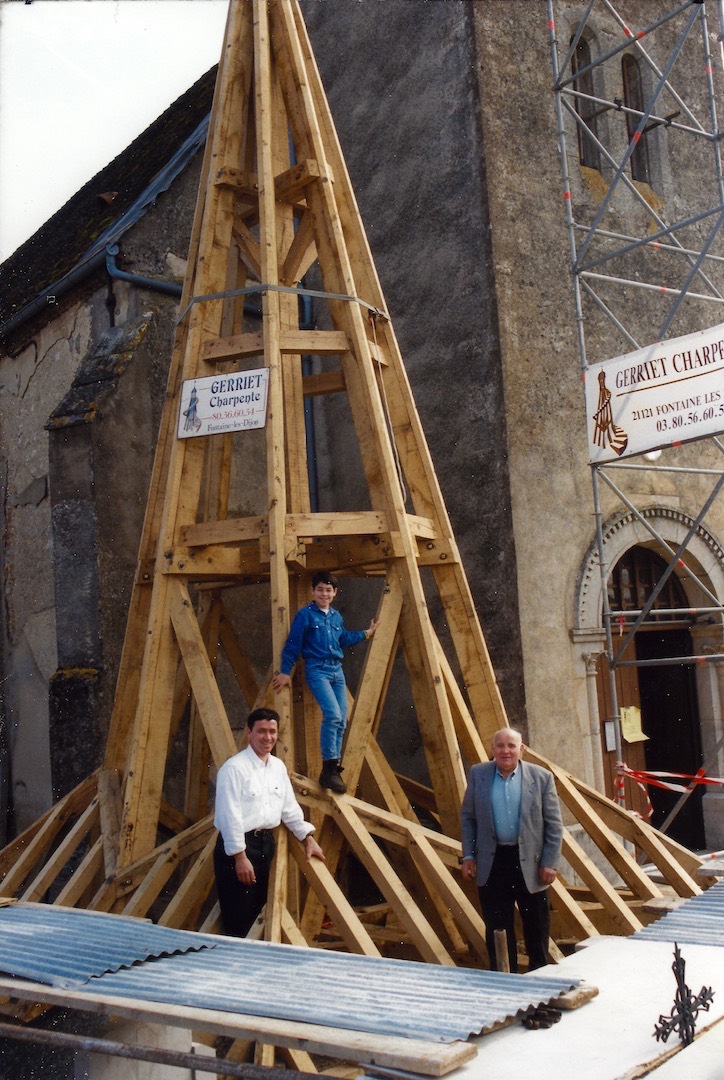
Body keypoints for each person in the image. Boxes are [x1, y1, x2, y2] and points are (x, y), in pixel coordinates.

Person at [213, 707, 325, 938]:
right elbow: (229, 816)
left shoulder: (277, 767)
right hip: (239, 848)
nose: (268, 737)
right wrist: (240, 858)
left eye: (272, 731)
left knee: (262, 911)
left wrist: (308, 837)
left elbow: (289, 808)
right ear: (249, 733)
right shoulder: (234, 769)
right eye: (261, 731)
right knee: (239, 916)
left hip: (266, 844)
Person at [460, 727, 563, 973]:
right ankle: (505, 981)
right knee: (498, 926)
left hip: (530, 862)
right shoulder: (479, 774)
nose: (506, 751)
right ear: (493, 749)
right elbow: (468, 818)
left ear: (521, 749)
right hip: (494, 862)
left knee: (536, 926)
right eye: (500, 746)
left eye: (511, 746)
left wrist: (550, 862)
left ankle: (539, 979)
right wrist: (469, 855)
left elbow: (554, 825)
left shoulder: (541, 778)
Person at [272, 570, 378, 794]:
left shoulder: (336, 617)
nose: (324, 594)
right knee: (332, 714)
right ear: (313, 591)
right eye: (320, 589)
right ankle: (328, 767)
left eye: (328, 590)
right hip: (317, 669)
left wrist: (367, 633)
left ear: (335, 593)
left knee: (341, 718)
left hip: (336, 671)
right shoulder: (305, 616)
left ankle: (332, 770)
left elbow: (344, 638)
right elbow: (293, 645)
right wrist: (284, 672)